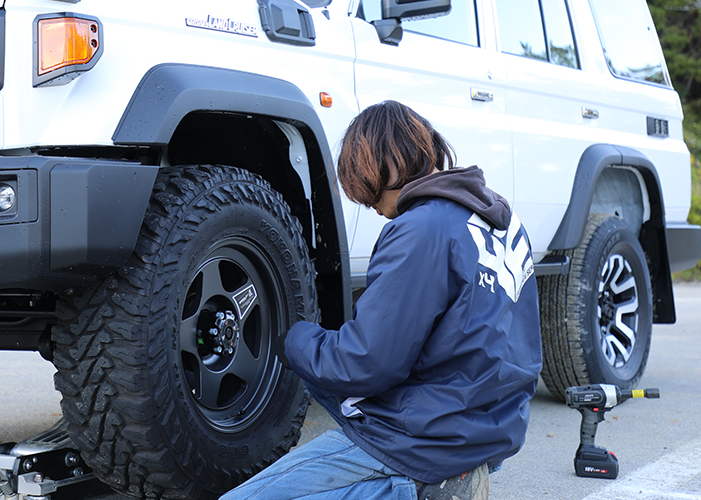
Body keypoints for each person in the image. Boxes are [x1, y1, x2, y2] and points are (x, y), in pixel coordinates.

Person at [221, 100, 542, 500]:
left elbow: (365, 364)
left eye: (370, 196)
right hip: (486, 426)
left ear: (386, 164)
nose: (377, 212)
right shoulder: (505, 225)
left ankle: (422, 488)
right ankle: (446, 475)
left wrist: (293, 339)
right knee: (323, 376)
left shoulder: (419, 228)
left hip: (424, 440)